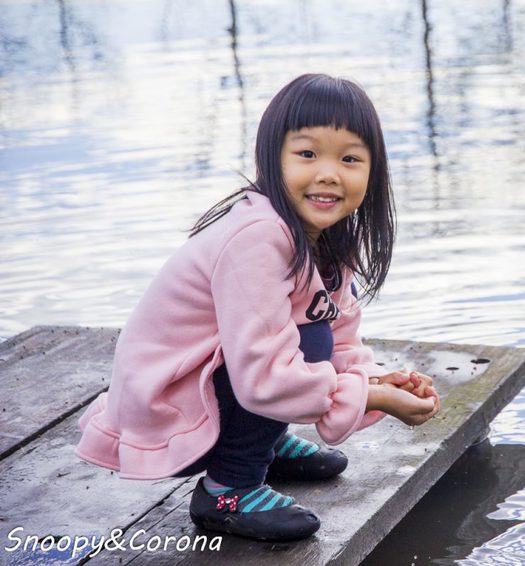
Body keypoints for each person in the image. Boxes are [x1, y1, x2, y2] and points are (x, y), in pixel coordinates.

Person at [75, 74, 440, 542]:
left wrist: (374, 378)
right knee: (307, 339)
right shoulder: (258, 238)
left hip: (226, 388)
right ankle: (229, 486)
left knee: (314, 333)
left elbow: (342, 334)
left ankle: (261, 442)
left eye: (349, 159)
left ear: (373, 171)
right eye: (307, 154)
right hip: (168, 407)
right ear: (272, 158)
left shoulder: (327, 238)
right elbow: (265, 374)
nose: (328, 173)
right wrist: (369, 398)